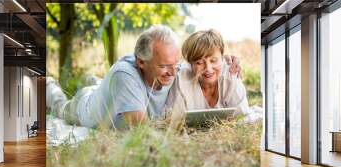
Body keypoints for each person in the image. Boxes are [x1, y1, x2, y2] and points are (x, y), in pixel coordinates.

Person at [46, 25, 243, 129]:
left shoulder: (172, 67)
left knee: (104, 85)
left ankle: (96, 81)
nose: (174, 72)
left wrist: (224, 60)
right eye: (165, 66)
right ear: (141, 62)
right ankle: (50, 85)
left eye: (175, 64)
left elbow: (196, 62)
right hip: (86, 109)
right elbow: (142, 131)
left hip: (114, 91)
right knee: (59, 105)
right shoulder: (125, 75)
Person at [174, 29, 249, 116]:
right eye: (199, 63)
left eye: (213, 60)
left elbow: (243, 117)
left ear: (222, 58)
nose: (208, 69)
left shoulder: (230, 76)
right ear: (190, 64)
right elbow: (174, 119)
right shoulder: (181, 79)